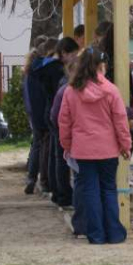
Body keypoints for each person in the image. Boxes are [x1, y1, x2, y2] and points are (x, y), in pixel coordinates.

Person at [59, 50, 132, 245]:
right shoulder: (111, 90)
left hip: (83, 150)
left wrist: (67, 145)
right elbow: (120, 121)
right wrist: (125, 145)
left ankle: (96, 234)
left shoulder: (70, 91)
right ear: (101, 66)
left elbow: (64, 122)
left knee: (90, 191)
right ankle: (114, 233)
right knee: (109, 189)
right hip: (108, 149)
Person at [48, 37, 80, 208]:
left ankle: (59, 193)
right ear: (65, 53)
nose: (76, 57)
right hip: (60, 122)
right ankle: (63, 195)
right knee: (61, 159)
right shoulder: (61, 78)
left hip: (56, 120)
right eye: (74, 54)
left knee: (58, 158)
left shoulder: (51, 70)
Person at [24, 37, 58, 194]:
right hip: (43, 112)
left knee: (37, 145)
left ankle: (32, 177)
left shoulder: (31, 68)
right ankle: (44, 180)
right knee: (45, 147)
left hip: (35, 112)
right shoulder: (44, 69)